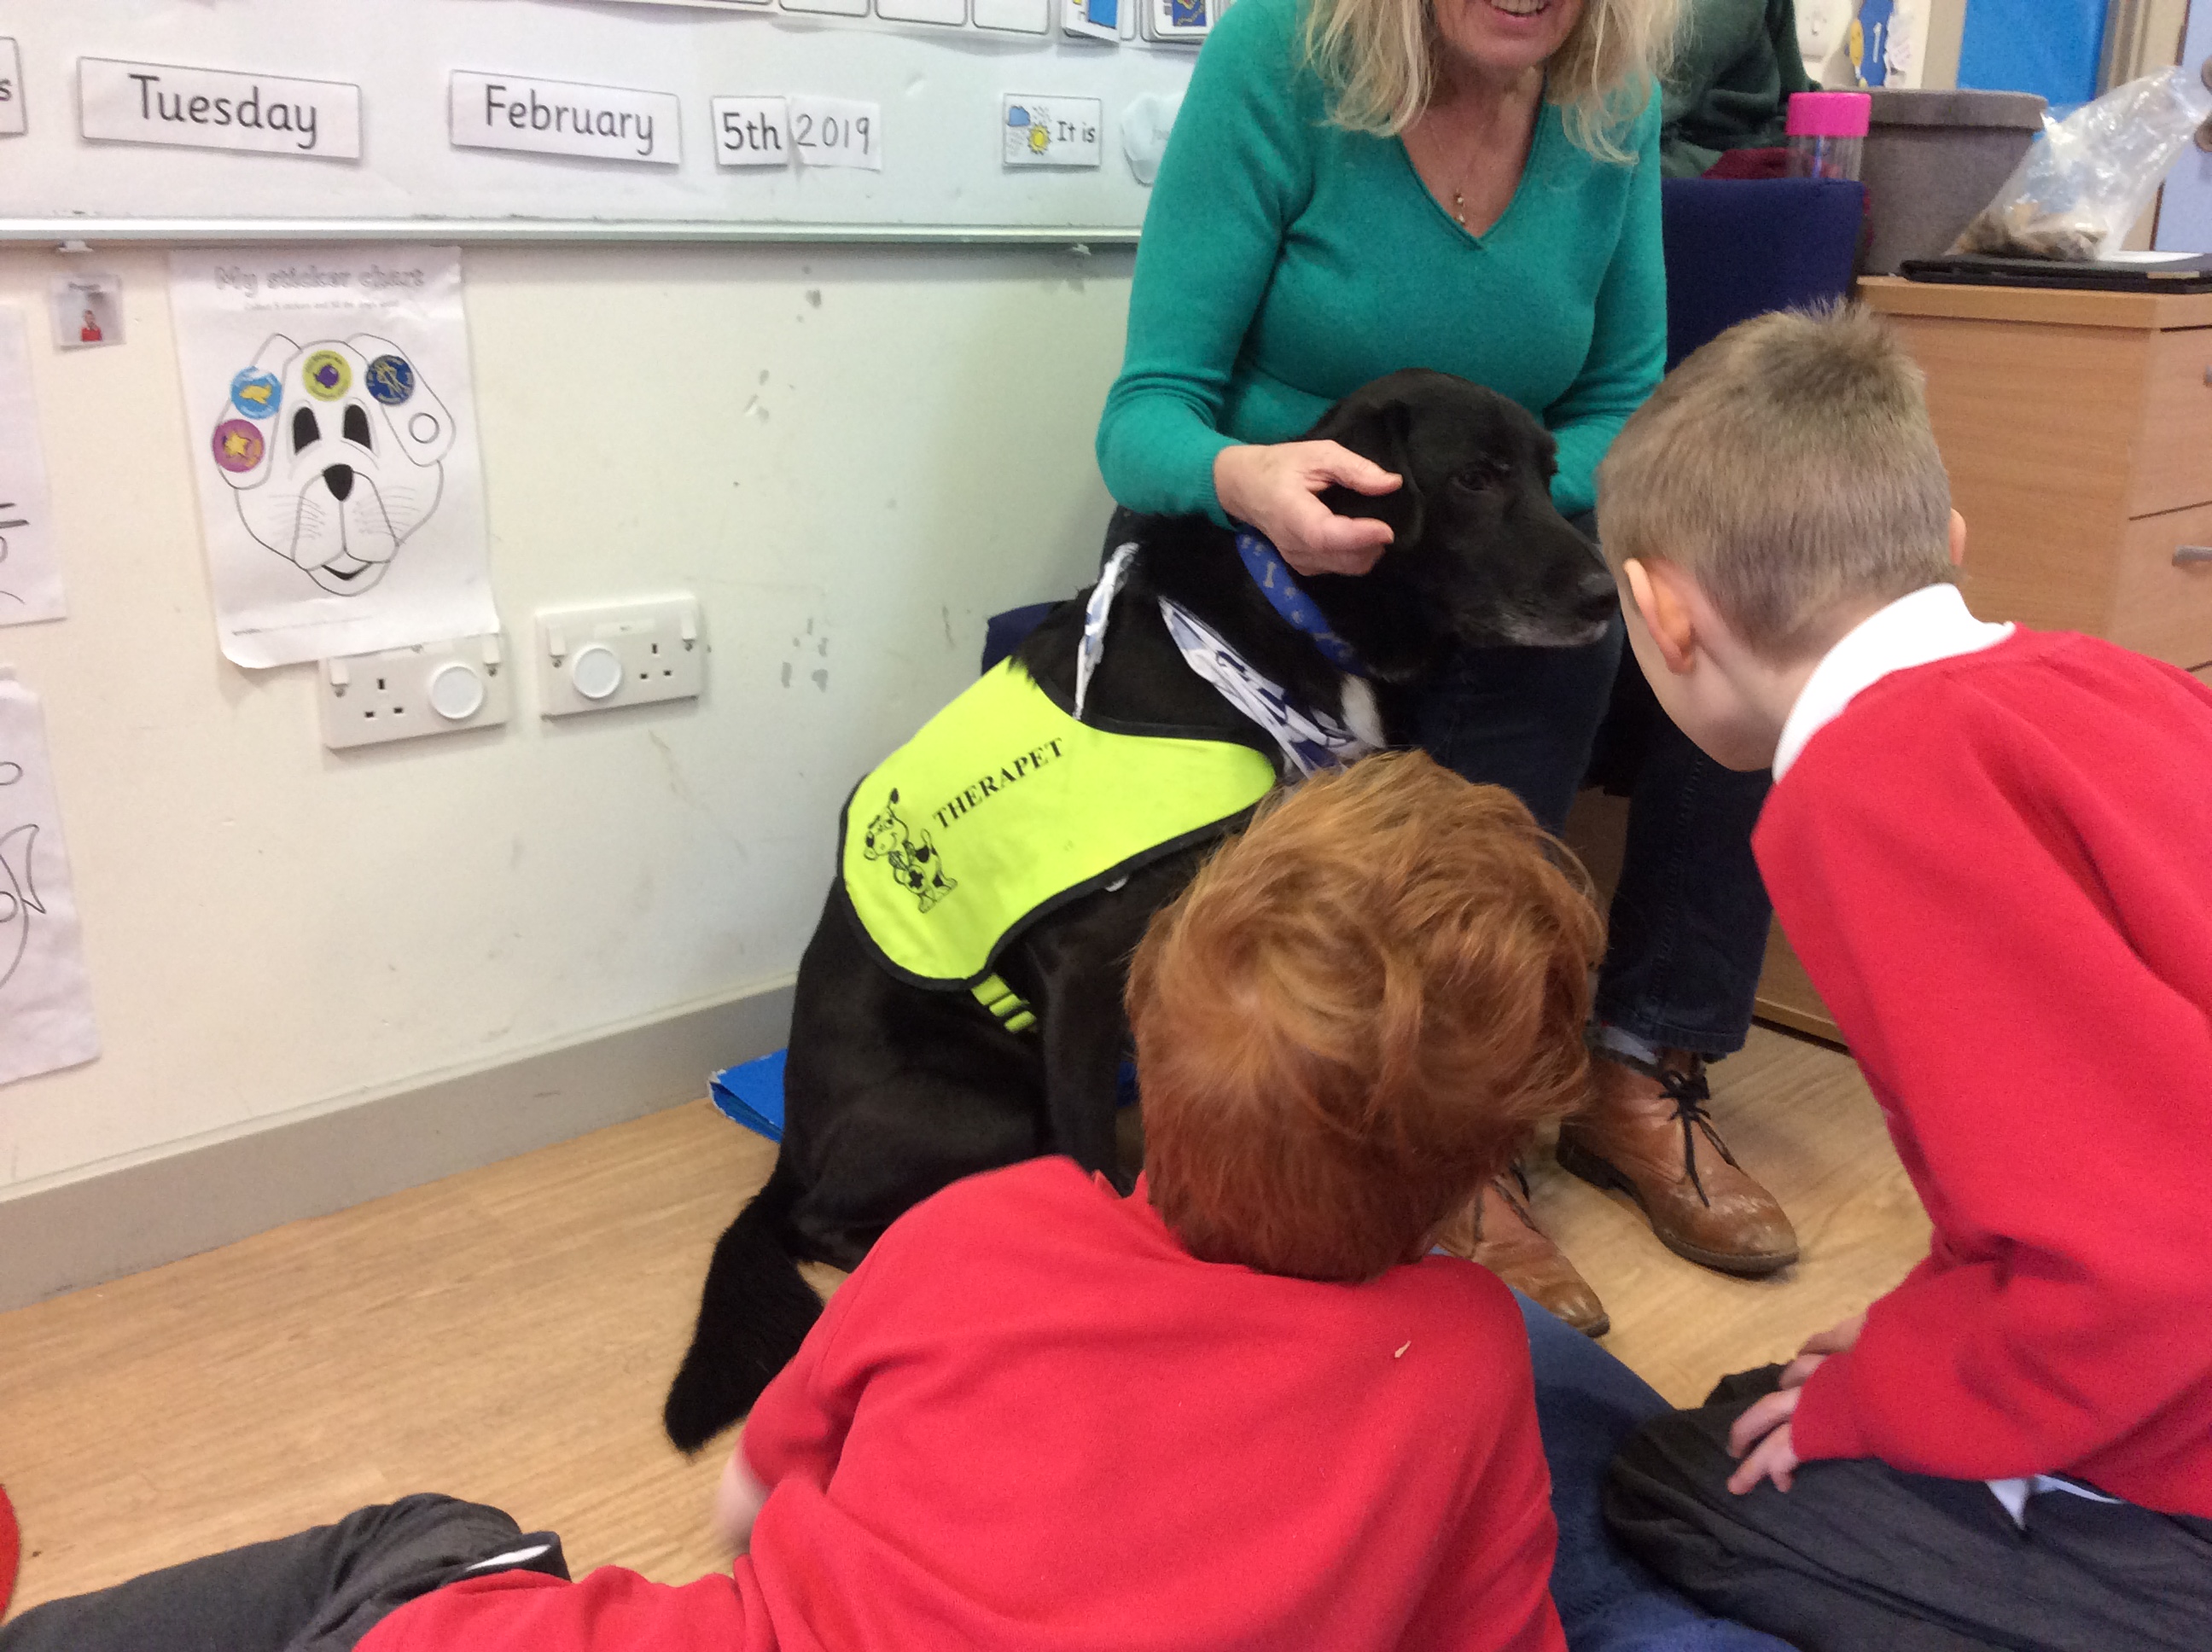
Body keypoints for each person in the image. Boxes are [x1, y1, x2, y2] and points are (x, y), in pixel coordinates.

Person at [0, 754, 1782, 1652]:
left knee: (399, 1551)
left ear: (1145, 1039)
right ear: (1476, 1179)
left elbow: (750, 1498)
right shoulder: (1467, 1354)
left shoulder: (982, 1230)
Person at [1094, 0, 1799, 1333]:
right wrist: (1252, 478)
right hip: (1271, 566)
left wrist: (1493, 523)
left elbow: (1625, 397)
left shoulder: (1609, 102)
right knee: (1561, 658)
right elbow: (1146, 417)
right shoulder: (1280, 58)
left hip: (1478, 534)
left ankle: (1636, 1066)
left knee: (1740, 639)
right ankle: (1448, 1131)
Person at [1577, 304, 2212, 1649]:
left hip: (2180, 1432)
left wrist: (1888, 1402)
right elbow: (2069, 1155)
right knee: (1781, 1399)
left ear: (1664, 615)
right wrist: (1912, 1348)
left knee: (1684, 1482)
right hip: (2163, 1320)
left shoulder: (1868, 796)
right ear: (1949, 546)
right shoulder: (2121, 682)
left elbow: (2155, 1263)